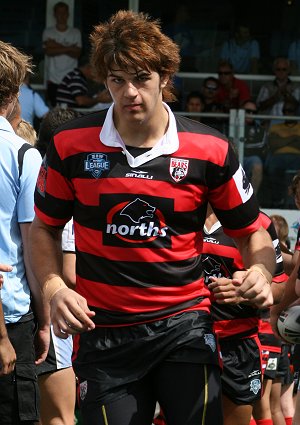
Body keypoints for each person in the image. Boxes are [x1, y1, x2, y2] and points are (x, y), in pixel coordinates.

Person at [29, 10, 276, 425]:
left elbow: (254, 236)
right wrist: (54, 288)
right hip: (103, 333)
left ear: (165, 77)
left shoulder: (209, 149)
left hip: (184, 325)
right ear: (104, 80)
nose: (129, 92)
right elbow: (43, 229)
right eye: (116, 80)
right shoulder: (71, 146)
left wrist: (262, 274)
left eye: (141, 77)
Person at [0, 40, 49, 425]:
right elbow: (33, 247)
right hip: (12, 316)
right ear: (15, 94)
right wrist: (45, 319)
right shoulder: (22, 154)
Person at [202, 205, 286, 425]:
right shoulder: (178, 208)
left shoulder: (259, 222)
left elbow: (279, 287)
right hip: (186, 336)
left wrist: (246, 292)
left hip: (238, 343)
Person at [43, 1, 82, 106]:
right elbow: (48, 52)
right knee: (54, 112)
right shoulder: (48, 32)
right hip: (53, 79)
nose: (62, 15)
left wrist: (55, 44)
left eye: (64, 13)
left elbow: (77, 54)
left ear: (68, 14)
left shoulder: (75, 32)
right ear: (55, 14)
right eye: (59, 13)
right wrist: (70, 48)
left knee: (69, 113)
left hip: (70, 80)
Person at [264, 99, 300, 208]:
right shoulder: (276, 126)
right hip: (278, 156)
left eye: (291, 110)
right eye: (285, 111)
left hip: (297, 157)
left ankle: (292, 202)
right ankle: (277, 200)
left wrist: (282, 140)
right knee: (273, 168)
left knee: (295, 176)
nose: (288, 113)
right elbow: (273, 144)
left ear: (296, 112)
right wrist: (294, 138)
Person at [256, 57, 300, 127]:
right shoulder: (266, 86)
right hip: (269, 123)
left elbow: (297, 106)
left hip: (290, 124)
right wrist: (276, 96)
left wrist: (286, 94)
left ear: (289, 71)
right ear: (274, 71)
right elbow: (260, 106)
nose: (281, 72)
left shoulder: (296, 87)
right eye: (278, 69)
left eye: (284, 69)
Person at [241, 99, 267, 195]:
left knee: (257, 163)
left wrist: (243, 147)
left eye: (254, 112)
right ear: (241, 111)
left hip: (249, 158)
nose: (250, 114)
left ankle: (252, 198)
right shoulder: (231, 123)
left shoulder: (260, 129)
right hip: (232, 157)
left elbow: (260, 146)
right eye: (248, 111)